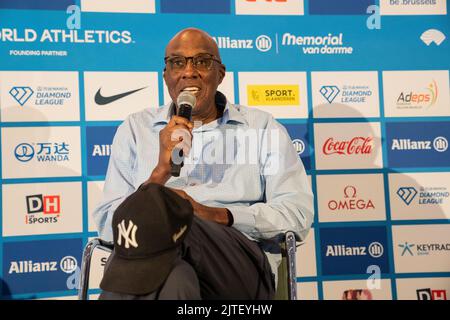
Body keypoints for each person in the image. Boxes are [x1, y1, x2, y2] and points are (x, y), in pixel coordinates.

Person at [93, 27, 314, 300]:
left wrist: (213, 214)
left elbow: (297, 213)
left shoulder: (261, 128)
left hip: (238, 265)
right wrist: (159, 174)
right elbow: (106, 222)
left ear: (220, 74)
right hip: (160, 265)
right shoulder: (136, 129)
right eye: (177, 63)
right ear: (166, 76)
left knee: (177, 218)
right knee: (176, 278)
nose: (189, 72)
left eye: (202, 61)